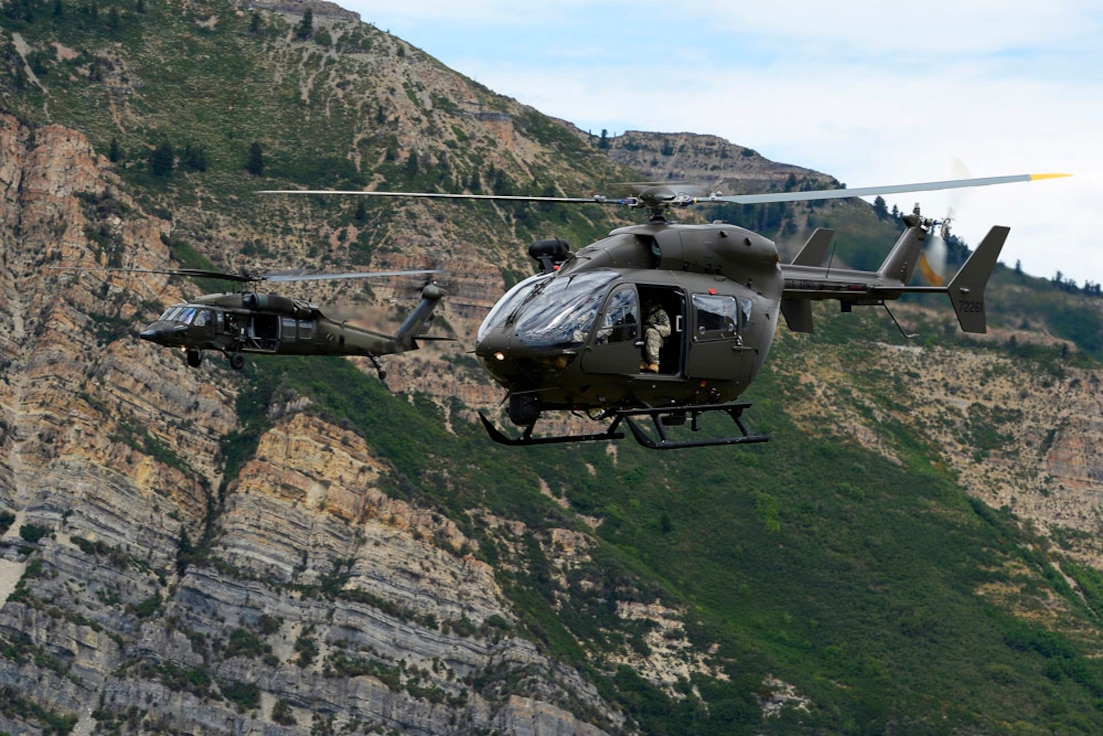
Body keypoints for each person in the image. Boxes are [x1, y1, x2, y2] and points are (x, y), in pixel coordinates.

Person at [642, 303, 670, 372]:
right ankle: (641, 362)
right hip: (643, 336)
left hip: (656, 339)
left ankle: (654, 364)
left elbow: (668, 330)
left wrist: (655, 327)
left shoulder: (660, 312)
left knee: (651, 332)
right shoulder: (641, 311)